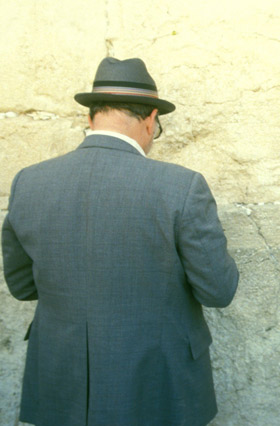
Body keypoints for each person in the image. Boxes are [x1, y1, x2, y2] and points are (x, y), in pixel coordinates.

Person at [2, 57, 240, 426]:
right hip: (157, 383)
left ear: (90, 117)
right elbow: (218, 290)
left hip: (62, 381)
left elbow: (20, 286)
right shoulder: (182, 186)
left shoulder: (28, 182)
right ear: (149, 121)